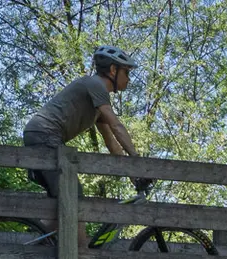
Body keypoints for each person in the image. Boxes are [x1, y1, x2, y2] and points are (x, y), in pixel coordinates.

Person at [22, 46, 139, 198]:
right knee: (73, 198)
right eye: (126, 72)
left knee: (62, 203)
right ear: (113, 70)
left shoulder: (98, 101)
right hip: (45, 135)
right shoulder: (95, 85)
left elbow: (112, 143)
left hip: (40, 135)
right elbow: (116, 126)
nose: (129, 78)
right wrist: (137, 159)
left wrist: (133, 175)